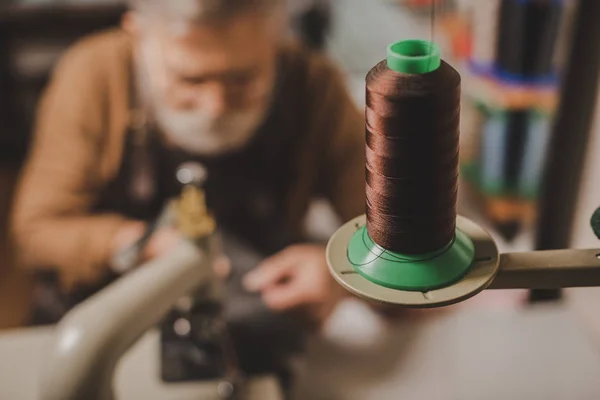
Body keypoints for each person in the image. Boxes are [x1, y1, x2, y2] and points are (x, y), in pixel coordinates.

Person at [11, 0, 363, 378]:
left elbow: (394, 239)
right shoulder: (95, 75)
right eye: (190, 80)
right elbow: (36, 231)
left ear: (278, 40)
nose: (215, 107)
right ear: (137, 32)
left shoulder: (315, 86)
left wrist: (339, 274)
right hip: (101, 330)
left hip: (251, 334)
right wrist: (136, 244)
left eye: (242, 80)